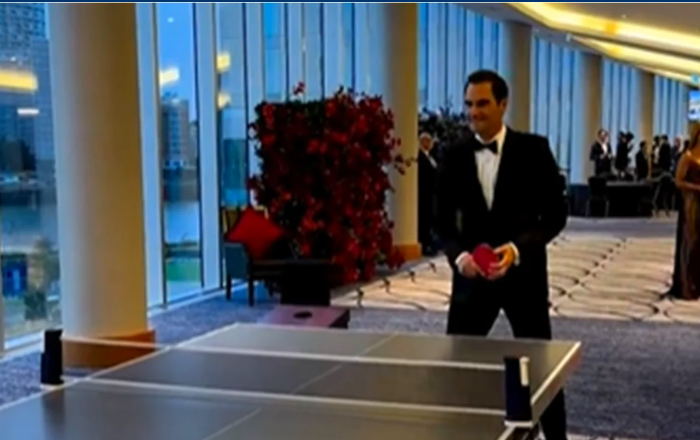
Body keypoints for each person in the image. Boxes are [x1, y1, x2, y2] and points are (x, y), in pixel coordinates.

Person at [436, 70, 569, 439]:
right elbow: (441, 224)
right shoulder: (453, 155)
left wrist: (516, 250)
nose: (473, 112)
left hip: (524, 279)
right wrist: (460, 258)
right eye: (469, 104)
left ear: (503, 104)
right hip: (471, 284)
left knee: (542, 369)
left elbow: (555, 217)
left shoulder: (534, 150)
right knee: (458, 368)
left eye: (482, 103)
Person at [674, 124, 700, 300]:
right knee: (691, 242)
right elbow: (678, 181)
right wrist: (696, 188)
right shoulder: (688, 156)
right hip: (692, 205)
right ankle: (688, 284)